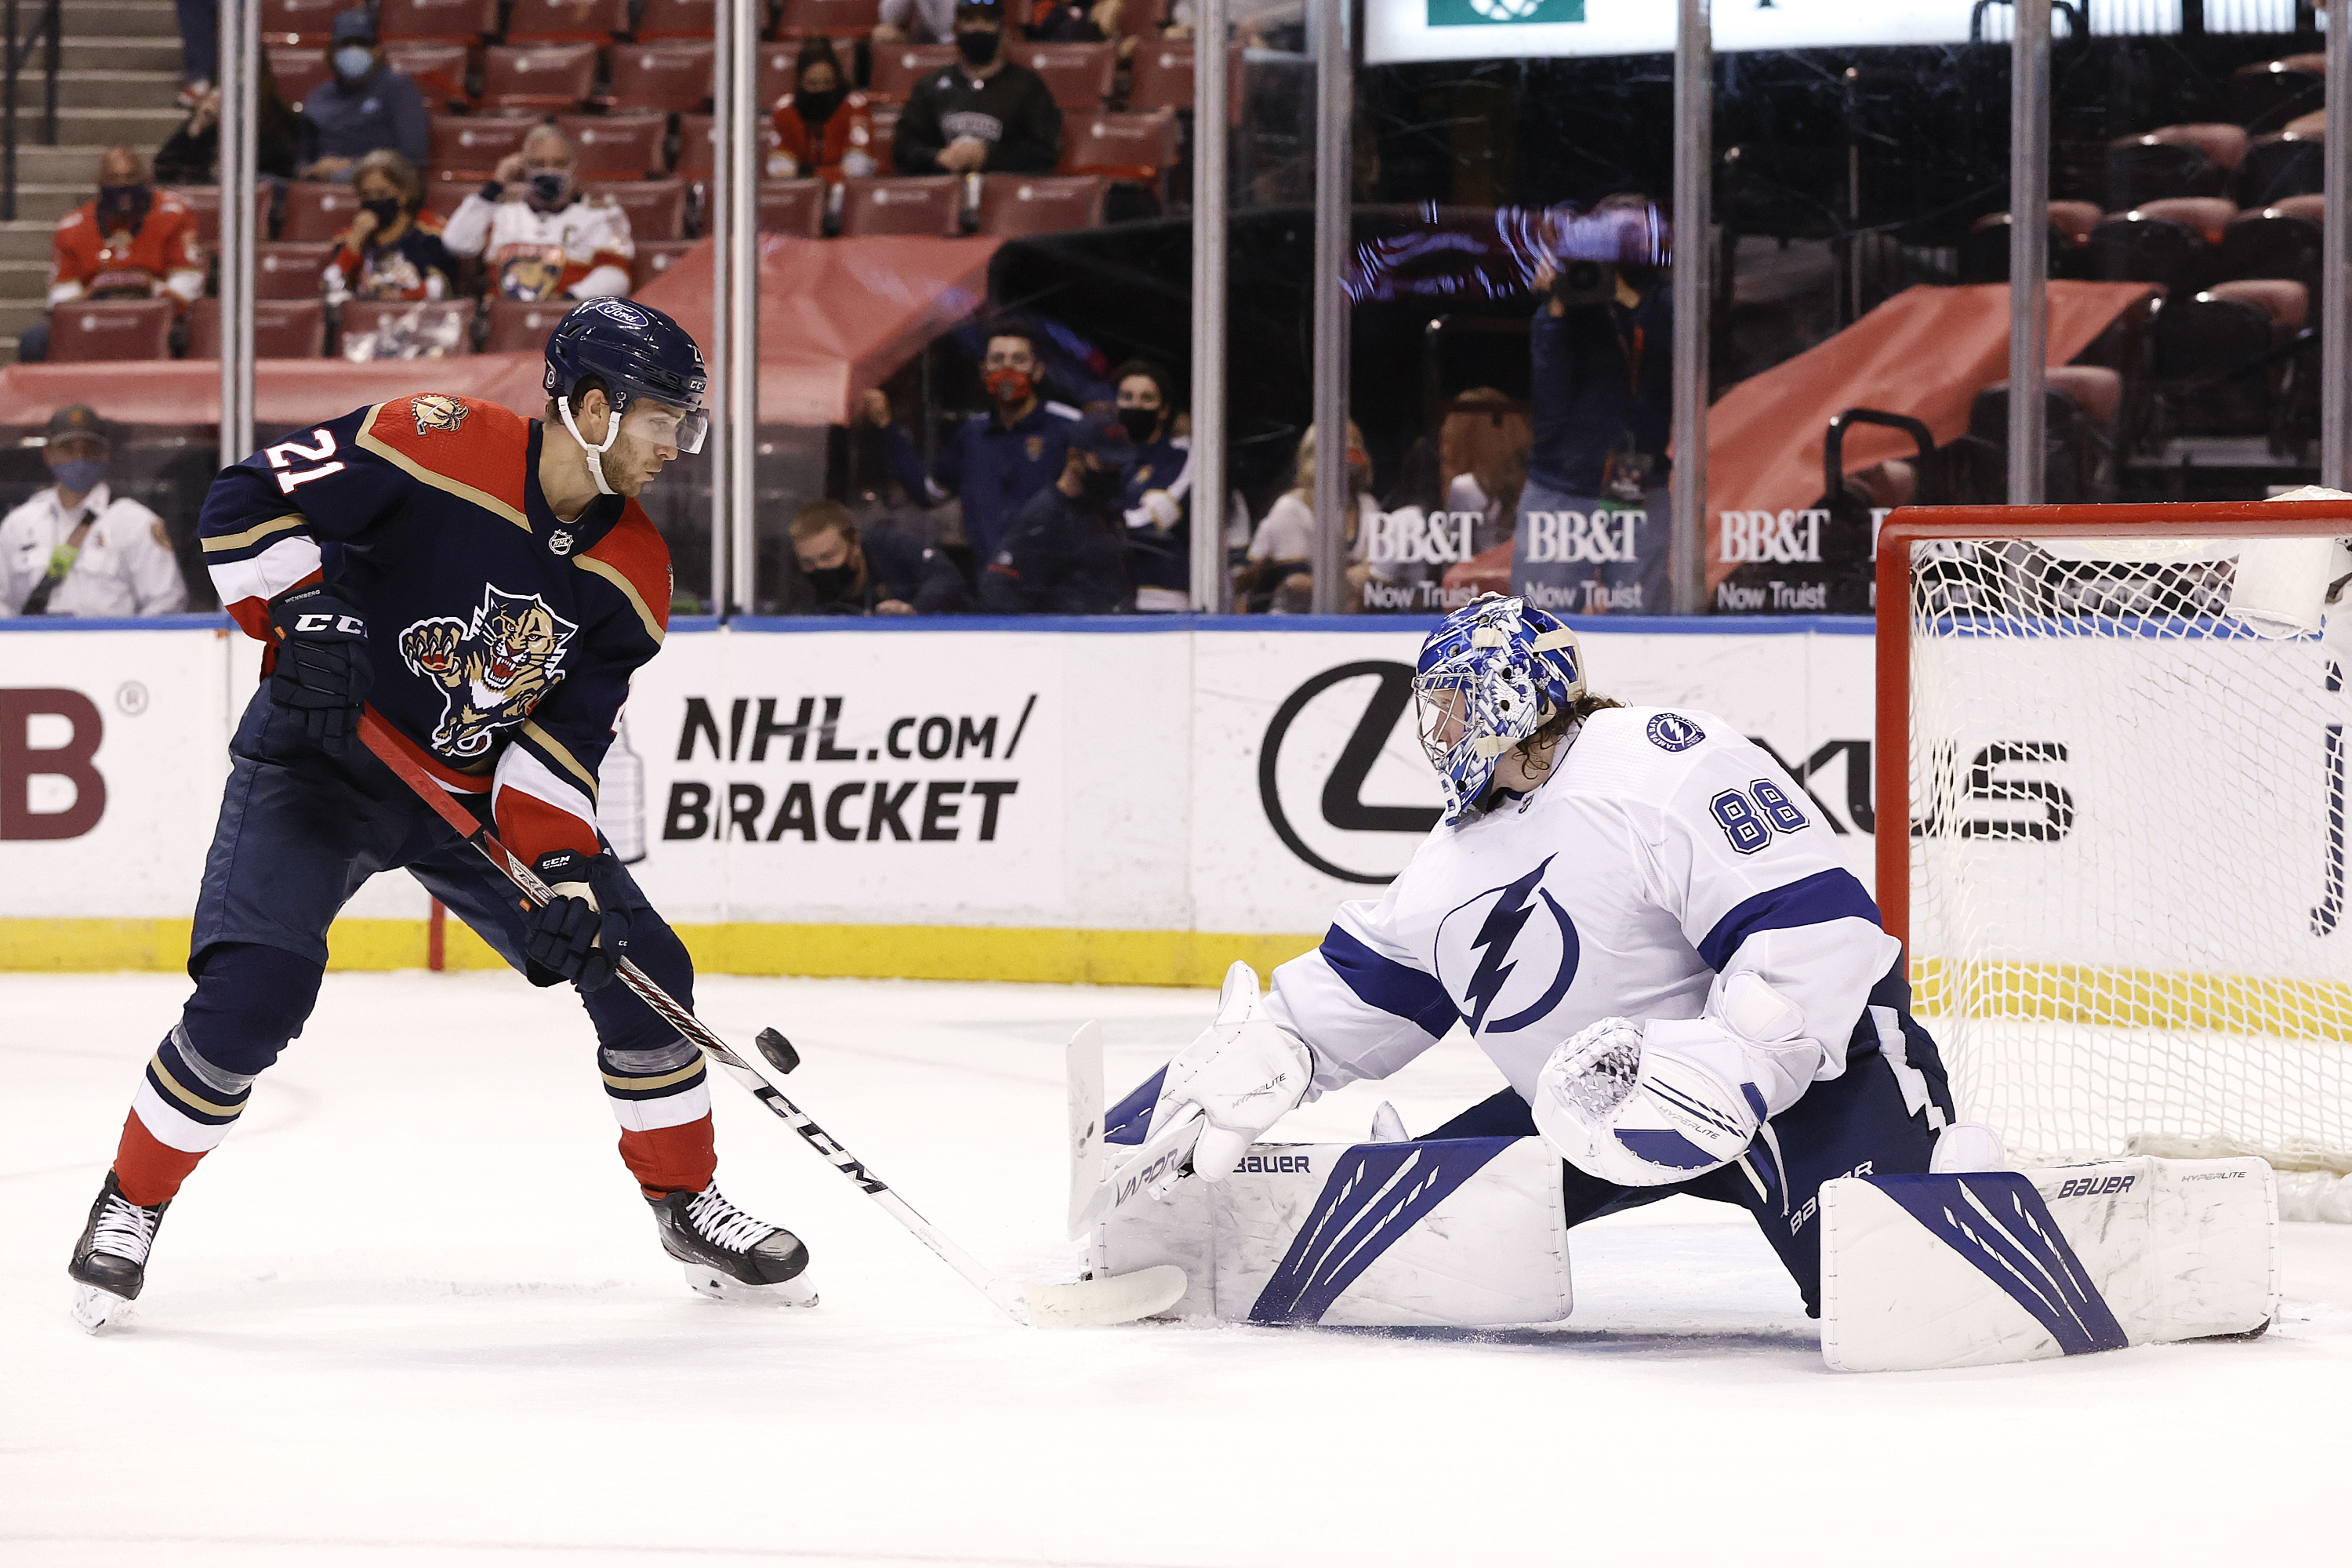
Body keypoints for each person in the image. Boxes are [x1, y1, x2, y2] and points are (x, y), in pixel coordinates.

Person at [64, 299, 813, 1333]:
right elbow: (244, 500)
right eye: (660, 420)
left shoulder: (634, 573)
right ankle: (130, 1203)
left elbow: (560, 750)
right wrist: (302, 611)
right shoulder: (433, 441)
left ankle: (686, 1202)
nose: (674, 447)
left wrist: (568, 876)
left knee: (645, 974)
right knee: (256, 994)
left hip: (470, 800)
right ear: (592, 406)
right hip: (320, 763)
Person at [1142, 593, 1998, 1321]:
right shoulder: (1454, 857)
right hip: (1595, 1108)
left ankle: (1959, 1183)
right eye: (1431, 705)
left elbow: (1817, 923)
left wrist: (1736, 1064)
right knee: (1394, 1246)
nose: (1436, 729)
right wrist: (1278, 1044)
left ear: (1513, 699)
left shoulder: (1660, 761)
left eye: (1455, 703)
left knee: (1891, 1288)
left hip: (1810, 1082)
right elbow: (1368, 990)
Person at [1517, 195, 1673, 615]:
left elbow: (1674, 359)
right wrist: (1556, 310)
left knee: (1644, 617)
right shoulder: (1564, 314)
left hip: (1638, 482)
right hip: (1562, 483)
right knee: (1537, 625)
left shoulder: (1661, 306)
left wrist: (1625, 296)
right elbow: (1547, 408)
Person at [863, 321, 1083, 565]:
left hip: (1054, 588)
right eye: (997, 360)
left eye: (1018, 359)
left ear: (1038, 370)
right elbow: (929, 495)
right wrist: (887, 427)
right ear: (984, 371)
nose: (1007, 368)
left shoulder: (1069, 427)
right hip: (990, 585)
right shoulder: (972, 434)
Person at [0, 405, 187, 618]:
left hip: (111, 646)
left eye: (90, 449)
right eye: (68, 448)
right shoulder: (20, 524)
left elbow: (166, 602)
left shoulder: (135, 523)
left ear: (105, 454)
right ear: (49, 454)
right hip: (35, 646)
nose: (80, 457)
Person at [22, 148, 205, 365]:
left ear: (145, 179)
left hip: (157, 315)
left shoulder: (175, 214)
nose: (123, 186)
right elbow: (59, 294)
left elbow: (187, 283)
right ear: (100, 183)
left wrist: (150, 291)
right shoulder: (72, 226)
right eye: (114, 178)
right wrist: (93, 296)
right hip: (92, 315)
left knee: (190, 336)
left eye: (130, 177)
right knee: (34, 342)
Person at [442, 124, 634, 303]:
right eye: (539, 164)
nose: (549, 171)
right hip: (503, 323)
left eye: (559, 164)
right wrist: (494, 187)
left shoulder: (600, 216)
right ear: (524, 168)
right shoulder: (502, 212)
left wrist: (564, 303)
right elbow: (455, 243)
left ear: (573, 166)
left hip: (566, 322)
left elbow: (616, 276)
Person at [978, 412, 1135, 614]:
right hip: (1069, 637)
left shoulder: (1106, 509)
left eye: (1119, 466)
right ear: (1073, 457)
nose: (1112, 473)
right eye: (1104, 464)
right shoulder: (1045, 516)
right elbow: (999, 588)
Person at [892, 0, 1062, 176]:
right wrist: (939, 157)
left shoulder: (1027, 86)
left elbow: (1046, 149)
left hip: (1006, 194)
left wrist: (989, 158)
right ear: (955, 28)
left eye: (987, 20)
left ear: (1002, 29)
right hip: (943, 192)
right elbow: (904, 148)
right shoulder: (931, 87)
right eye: (970, 20)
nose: (978, 28)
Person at [1236, 421, 1376, 613]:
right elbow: (1295, 583)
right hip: (1290, 626)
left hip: (1345, 623)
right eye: (1343, 440)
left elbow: (1377, 574)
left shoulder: (1368, 505)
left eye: (1358, 440)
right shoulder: (1291, 507)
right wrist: (1353, 577)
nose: (1353, 447)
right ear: (1315, 453)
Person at [295, 10, 430, 183]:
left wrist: (351, 167)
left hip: (378, 185)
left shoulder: (399, 90)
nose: (353, 51)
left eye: (362, 43)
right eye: (345, 44)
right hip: (320, 186)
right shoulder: (318, 97)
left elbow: (413, 157)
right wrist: (310, 171)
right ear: (331, 51)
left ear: (378, 50)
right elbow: (301, 159)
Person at [1109, 360, 1192, 612]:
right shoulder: (1101, 458)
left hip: (1159, 594)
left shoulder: (1182, 457)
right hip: (1105, 593)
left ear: (1164, 409)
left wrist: (1103, 525)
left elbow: (1160, 515)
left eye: (1147, 398)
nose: (1136, 406)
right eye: (1127, 397)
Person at [323, 150, 458, 303]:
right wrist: (356, 240)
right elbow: (330, 287)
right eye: (367, 195)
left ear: (404, 194)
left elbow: (442, 287)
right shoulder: (349, 238)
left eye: (381, 194)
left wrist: (401, 297)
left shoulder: (429, 232)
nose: (373, 201)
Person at [790, 499, 969, 615]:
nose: (820, 568)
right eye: (808, 562)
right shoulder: (806, 595)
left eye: (828, 557)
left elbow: (946, 576)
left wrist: (914, 609)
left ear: (855, 543)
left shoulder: (889, 546)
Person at [153, 52, 299, 184]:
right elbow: (164, 169)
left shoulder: (281, 117)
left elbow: (285, 168)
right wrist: (198, 126)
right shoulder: (212, 119)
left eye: (242, 73)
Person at [768, 37, 880, 185]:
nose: (820, 89)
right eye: (813, 84)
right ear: (800, 82)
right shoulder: (784, 110)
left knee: (860, 166)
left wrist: (825, 177)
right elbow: (781, 155)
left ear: (837, 79)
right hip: (800, 183)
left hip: (843, 182)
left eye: (827, 82)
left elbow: (859, 155)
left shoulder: (855, 106)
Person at [873, 0, 955, 43]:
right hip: (927, 41)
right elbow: (888, 16)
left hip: (957, 41)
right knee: (883, 33)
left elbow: (948, 27)